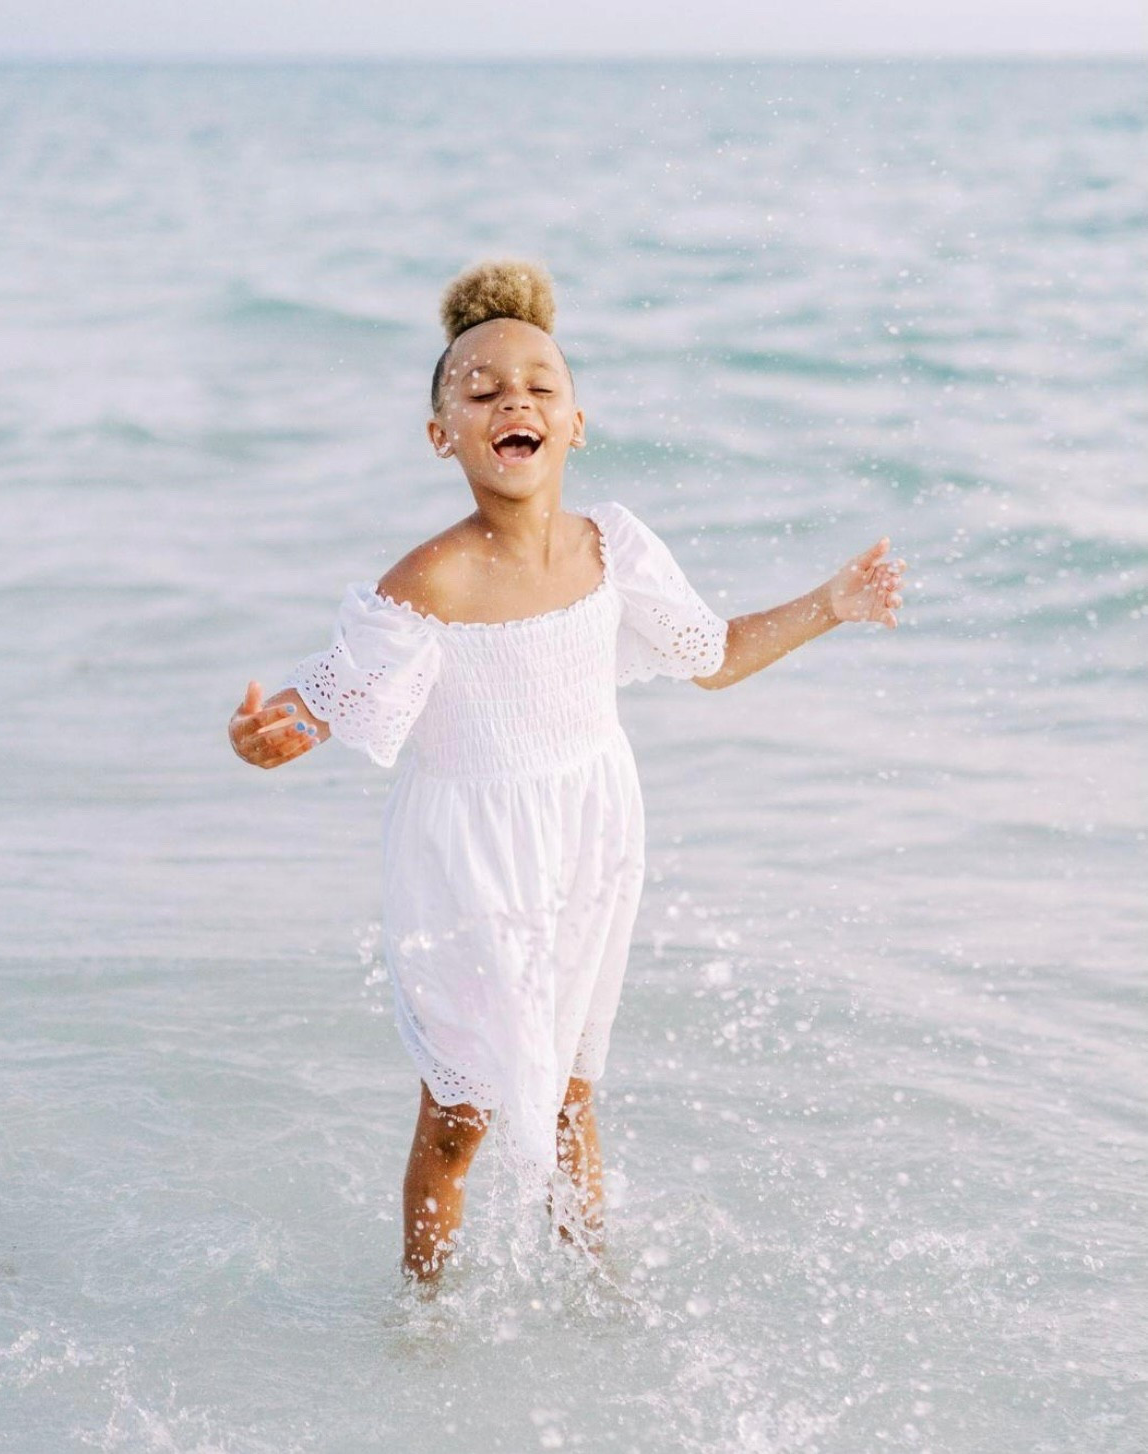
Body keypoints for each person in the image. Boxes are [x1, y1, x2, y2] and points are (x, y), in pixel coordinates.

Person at [227, 258, 907, 1284]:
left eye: (540, 385)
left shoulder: (612, 548)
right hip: (467, 859)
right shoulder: (429, 579)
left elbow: (711, 657)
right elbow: (312, 711)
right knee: (459, 1108)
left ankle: (595, 1288)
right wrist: (263, 737)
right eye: (483, 388)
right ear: (441, 433)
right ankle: (426, 1317)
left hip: (589, 833)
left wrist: (831, 602)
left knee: (572, 1087)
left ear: (575, 424)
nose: (515, 399)